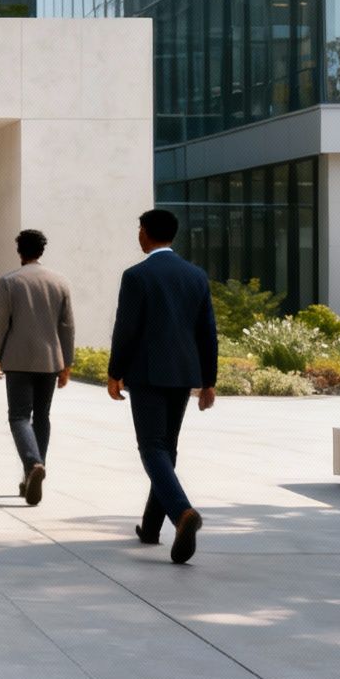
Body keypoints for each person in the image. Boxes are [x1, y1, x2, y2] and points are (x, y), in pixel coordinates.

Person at [107, 208, 218, 565]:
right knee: (166, 449)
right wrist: (209, 382)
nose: (137, 235)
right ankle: (151, 527)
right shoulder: (196, 275)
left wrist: (114, 372)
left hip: (147, 374)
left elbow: (126, 328)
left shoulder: (137, 275)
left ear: (147, 233)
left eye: (139, 229)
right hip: (184, 374)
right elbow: (207, 332)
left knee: (152, 448)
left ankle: (183, 513)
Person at [0, 229, 76, 505]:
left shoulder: (9, 281)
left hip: (18, 359)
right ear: (42, 251)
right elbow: (67, 326)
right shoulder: (60, 281)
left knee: (19, 417)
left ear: (19, 252)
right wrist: (67, 363)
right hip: (49, 359)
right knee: (42, 416)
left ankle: (33, 464)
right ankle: (34, 472)